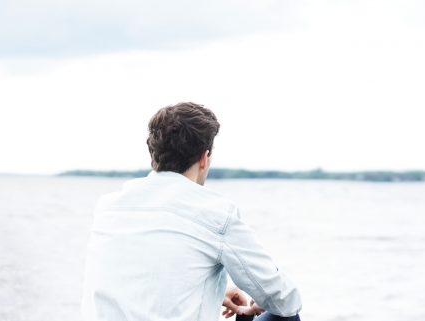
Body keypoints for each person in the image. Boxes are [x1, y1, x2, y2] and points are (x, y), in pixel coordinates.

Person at [81, 102, 302, 321]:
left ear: (154, 154)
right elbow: (285, 299)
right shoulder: (216, 214)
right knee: (284, 316)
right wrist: (260, 301)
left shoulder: (108, 207)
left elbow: (138, 281)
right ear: (204, 158)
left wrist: (212, 295)